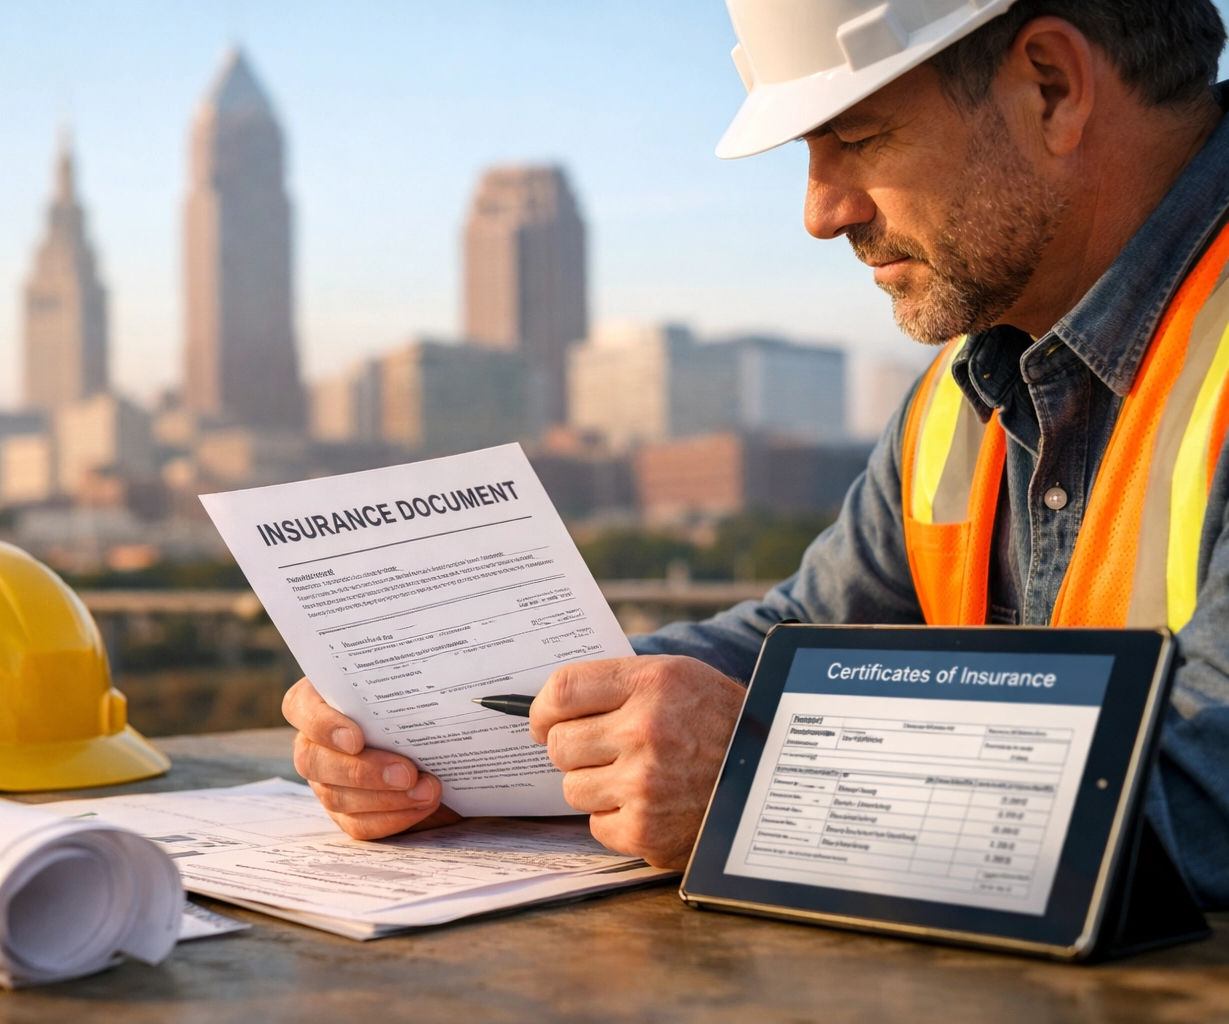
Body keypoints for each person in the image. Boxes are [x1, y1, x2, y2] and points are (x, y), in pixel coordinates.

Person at [284, 0, 1229, 906]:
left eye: (857, 137)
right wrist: (457, 731)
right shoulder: (971, 385)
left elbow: (1206, 799)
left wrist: (768, 784)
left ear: (1053, 88)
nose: (822, 211)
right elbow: (798, 641)